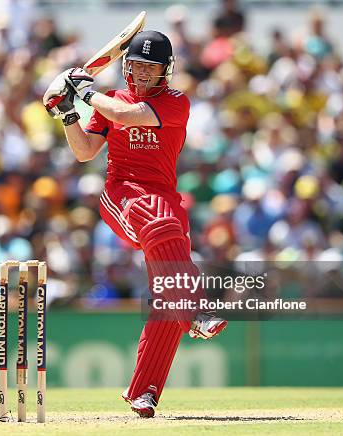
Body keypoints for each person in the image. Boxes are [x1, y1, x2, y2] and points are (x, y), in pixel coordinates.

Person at [42, 30, 227, 418]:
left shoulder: (177, 103)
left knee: (167, 298)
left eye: (151, 68)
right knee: (162, 230)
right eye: (137, 66)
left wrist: (85, 92)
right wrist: (67, 113)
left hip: (165, 200)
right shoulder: (112, 101)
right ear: (127, 67)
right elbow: (84, 152)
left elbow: (128, 116)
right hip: (122, 195)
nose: (142, 74)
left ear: (166, 71)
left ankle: (143, 394)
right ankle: (195, 308)